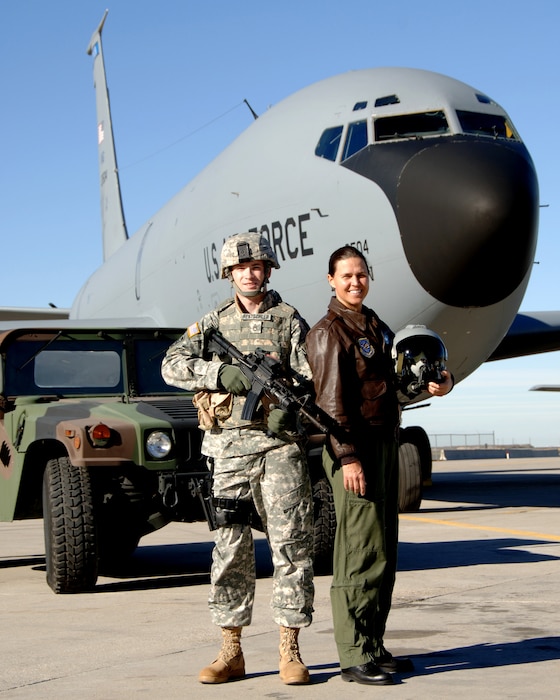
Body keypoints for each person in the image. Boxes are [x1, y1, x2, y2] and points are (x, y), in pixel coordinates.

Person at [161, 232, 314, 686]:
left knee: (290, 545)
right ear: (229, 274)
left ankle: (290, 649)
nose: (250, 274)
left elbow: (310, 374)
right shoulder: (213, 323)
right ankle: (231, 650)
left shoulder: (289, 321)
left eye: (258, 267)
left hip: (279, 448)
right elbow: (172, 364)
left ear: (268, 271)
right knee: (230, 547)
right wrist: (219, 372)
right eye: (241, 268)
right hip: (228, 451)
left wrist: (293, 401)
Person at [305, 245, 453, 686]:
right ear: (331, 280)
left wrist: (438, 383)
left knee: (384, 551)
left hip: (385, 444)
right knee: (358, 553)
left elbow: (394, 384)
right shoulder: (329, 332)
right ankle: (353, 655)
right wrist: (347, 458)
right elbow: (329, 406)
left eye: (361, 274)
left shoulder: (374, 325)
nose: (355, 282)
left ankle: (373, 646)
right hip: (356, 451)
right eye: (346, 276)